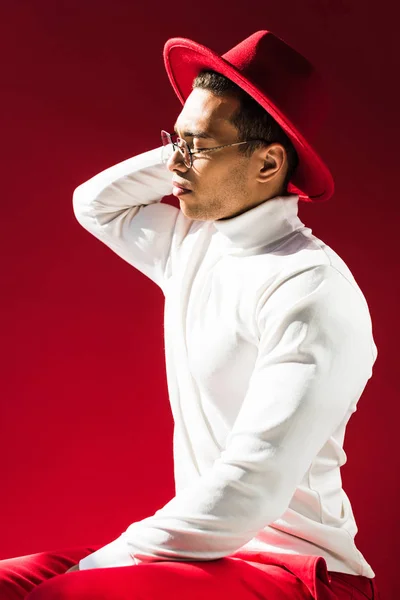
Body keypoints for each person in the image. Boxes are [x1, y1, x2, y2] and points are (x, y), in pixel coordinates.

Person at [0, 29, 381, 600]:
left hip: (302, 574)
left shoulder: (310, 290)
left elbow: (249, 490)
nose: (175, 163)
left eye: (197, 147)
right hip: (208, 555)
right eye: (172, 140)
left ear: (269, 162)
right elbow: (94, 204)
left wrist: (95, 569)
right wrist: (194, 145)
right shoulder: (193, 242)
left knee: (60, 595)